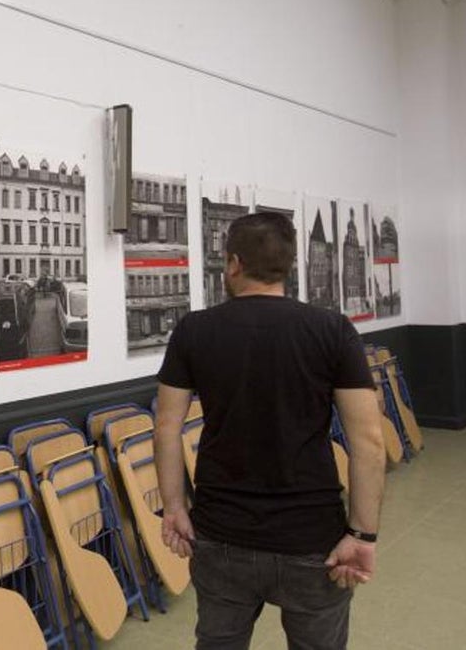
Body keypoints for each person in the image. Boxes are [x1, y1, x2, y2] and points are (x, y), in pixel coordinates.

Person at [154, 212, 386, 650]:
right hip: (311, 537)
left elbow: (167, 428)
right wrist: (362, 534)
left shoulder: (193, 331)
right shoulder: (332, 330)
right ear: (288, 266)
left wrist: (173, 507)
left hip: (221, 533)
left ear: (235, 264)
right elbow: (369, 444)